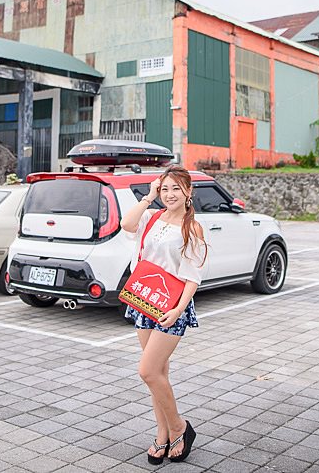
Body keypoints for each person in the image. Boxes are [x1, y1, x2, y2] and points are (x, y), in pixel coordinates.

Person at [120, 165, 207, 465]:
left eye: (176, 189)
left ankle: (180, 428)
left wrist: (178, 309)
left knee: (147, 370)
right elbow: (125, 224)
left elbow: (192, 276)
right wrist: (149, 197)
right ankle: (162, 434)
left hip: (172, 306)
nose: (170, 195)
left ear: (188, 192)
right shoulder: (151, 216)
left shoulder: (191, 227)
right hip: (145, 299)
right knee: (158, 374)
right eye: (165, 189)